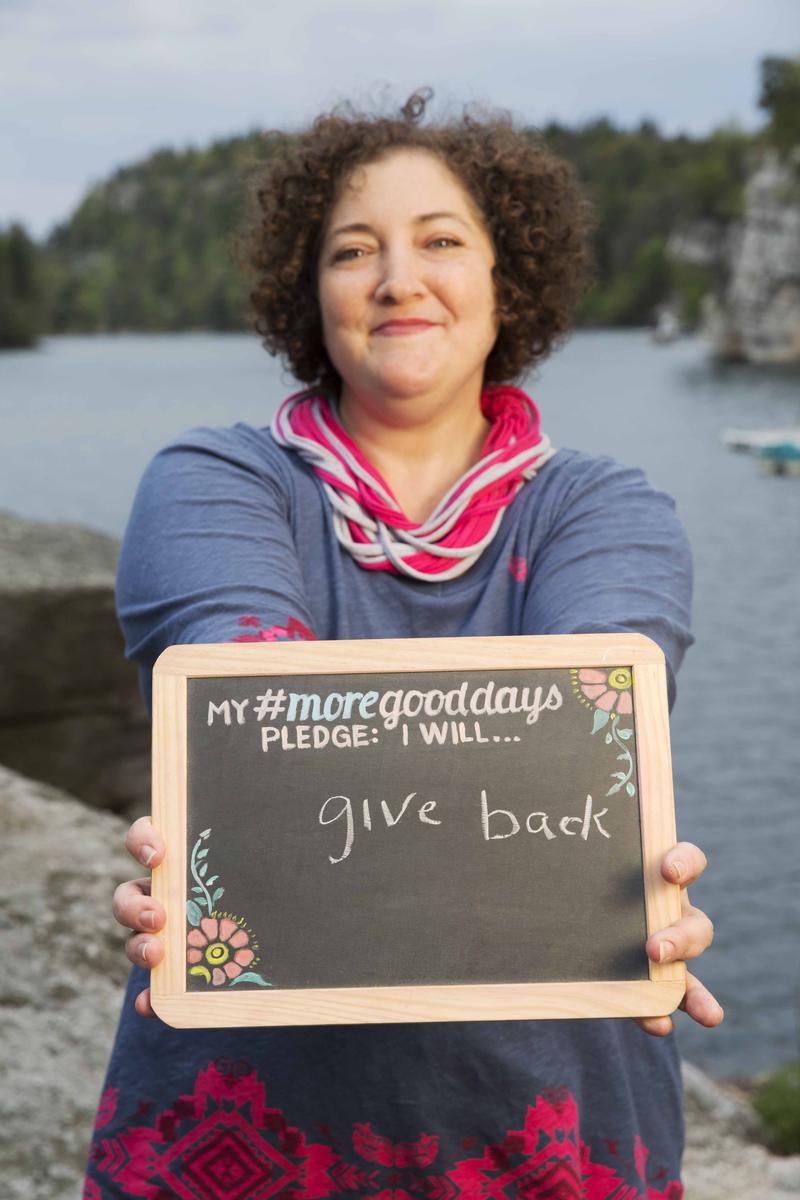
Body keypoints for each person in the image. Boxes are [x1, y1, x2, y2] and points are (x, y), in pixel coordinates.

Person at [84, 91, 721, 1198]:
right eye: (351, 250)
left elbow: (578, 729)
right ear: (308, 291)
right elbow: (252, 715)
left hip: (549, 1126)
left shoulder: (605, 510)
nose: (396, 279)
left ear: (504, 277)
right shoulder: (212, 481)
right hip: (238, 1126)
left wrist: (637, 889)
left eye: (440, 241)